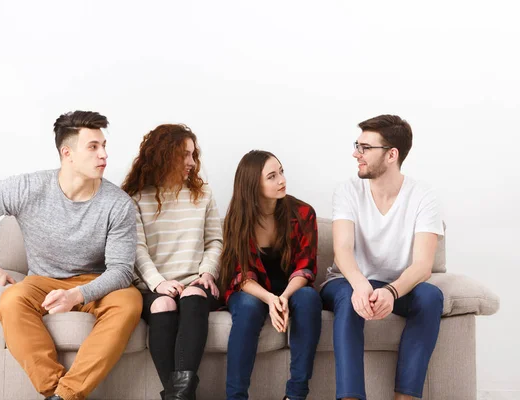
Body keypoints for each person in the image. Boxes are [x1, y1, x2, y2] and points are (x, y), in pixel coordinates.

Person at [0, 111, 142, 400]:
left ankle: (67, 394)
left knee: (129, 301)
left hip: (96, 284)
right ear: (67, 153)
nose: (104, 154)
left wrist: (78, 294)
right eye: (93, 146)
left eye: (104, 146)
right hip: (43, 281)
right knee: (10, 301)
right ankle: (52, 390)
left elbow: (122, 270)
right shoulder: (28, 188)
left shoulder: (117, 203)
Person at [321, 115, 444, 400]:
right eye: (357, 145)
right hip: (347, 281)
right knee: (351, 300)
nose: (356, 154)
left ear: (392, 154)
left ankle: (405, 397)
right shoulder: (348, 191)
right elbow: (342, 251)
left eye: (365, 148)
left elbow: (423, 265)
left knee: (431, 297)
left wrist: (391, 290)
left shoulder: (424, 197)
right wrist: (362, 285)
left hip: (395, 287)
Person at [122, 124, 223, 400]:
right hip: (153, 286)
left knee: (191, 294)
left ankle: (176, 397)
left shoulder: (203, 194)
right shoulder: (135, 198)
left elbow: (215, 241)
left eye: (193, 155)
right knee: (163, 303)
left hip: (196, 282)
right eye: (185, 155)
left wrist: (206, 273)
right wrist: (159, 283)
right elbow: (137, 250)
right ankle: (182, 396)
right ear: (164, 156)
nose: (192, 162)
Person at [220, 150, 322, 400]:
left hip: (291, 288)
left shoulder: (303, 213)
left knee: (308, 299)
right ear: (253, 184)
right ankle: (235, 397)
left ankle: (296, 395)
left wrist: (284, 297)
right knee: (247, 306)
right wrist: (269, 299)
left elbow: (305, 268)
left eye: (282, 172)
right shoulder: (237, 219)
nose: (282, 180)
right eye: (272, 176)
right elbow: (239, 274)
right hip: (252, 290)